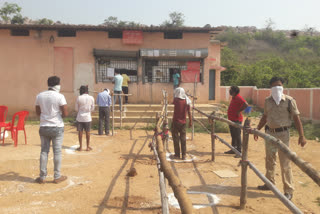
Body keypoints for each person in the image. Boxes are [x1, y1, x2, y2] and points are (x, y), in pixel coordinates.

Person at [254, 77, 307, 200]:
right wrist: (257, 129)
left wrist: (302, 136)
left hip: (283, 134)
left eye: (279, 85)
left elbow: (296, 119)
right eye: (274, 86)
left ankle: (288, 190)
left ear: (282, 87)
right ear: (271, 88)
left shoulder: (289, 101)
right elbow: (265, 117)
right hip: (269, 133)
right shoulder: (267, 101)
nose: (277, 88)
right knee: (269, 160)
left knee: (285, 163)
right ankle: (269, 183)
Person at [35, 76, 68, 184]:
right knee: (57, 152)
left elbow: (38, 112)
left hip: (44, 126)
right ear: (57, 85)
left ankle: (42, 177)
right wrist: (58, 116)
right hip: (57, 127)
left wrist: (46, 116)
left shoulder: (39, 96)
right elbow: (65, 113)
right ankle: (57, 176)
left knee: (44, 151)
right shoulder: (60, 96)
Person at [224, 86, 248, 155]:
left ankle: (239, 150)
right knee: (233, 135)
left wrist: (239, 111)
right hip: (231, 119)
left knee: (237, 135)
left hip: (237, 120)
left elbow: (246, 104)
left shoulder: (238, 97)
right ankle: (233, 149)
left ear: (234, 91)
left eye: (231, 90)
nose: (229, 91)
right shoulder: (234, 98)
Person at [171, 87, 192, 160]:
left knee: (175, 138)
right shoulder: (187, 101)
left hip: (175, 121)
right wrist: (190, 121)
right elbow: (189, 112)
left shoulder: (176, 100)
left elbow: (172, 101)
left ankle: (177, 154)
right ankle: (184, 155)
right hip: (183, 122)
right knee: (183, 139)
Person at [75, 85, 95, 151]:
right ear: (87, 91)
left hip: (80, 117)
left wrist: (81, 111)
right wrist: (88, 111)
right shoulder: (91, 97)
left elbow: (76, 109)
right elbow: (93, 108)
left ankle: (80, 147)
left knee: (80, 132)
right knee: (88, 132)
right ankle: (87, 147)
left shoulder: (79, 98)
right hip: (88, 118)